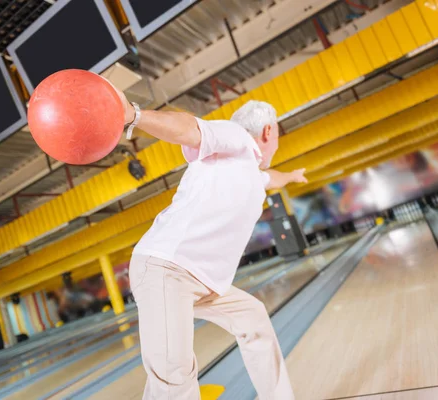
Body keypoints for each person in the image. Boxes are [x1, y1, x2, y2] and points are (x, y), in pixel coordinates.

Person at [114, 84, 307, 400]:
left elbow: (271, 178)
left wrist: (292, 176)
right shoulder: (237, 138)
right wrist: (134, 115)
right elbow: (190, 129)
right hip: (167, 268)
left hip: (201, 280)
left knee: (253, 318)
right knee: (173, 376)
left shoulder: (249, 169)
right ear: (268, 131)